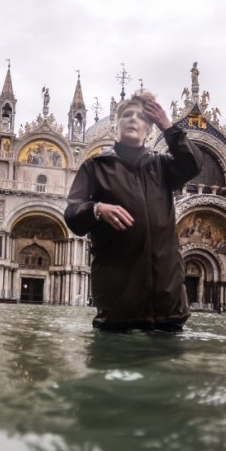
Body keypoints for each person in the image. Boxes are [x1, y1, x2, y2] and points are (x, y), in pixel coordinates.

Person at [64, 89, 203, 331]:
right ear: (116, 125)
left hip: (168, 304)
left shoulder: (163, 166)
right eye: (127, 115)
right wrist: (97, 208)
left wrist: (168, 126)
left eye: (140, 117)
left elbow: (193, 164)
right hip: (119, 306)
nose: (133, 119)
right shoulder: (95, 167)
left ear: (149, 129)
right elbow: (73, 214)